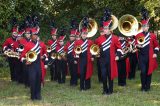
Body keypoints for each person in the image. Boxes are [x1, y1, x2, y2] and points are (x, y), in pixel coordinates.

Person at [95, 9, 123, 95]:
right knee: (103, 76)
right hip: (102, 60)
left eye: (107, 28)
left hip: (111, 60)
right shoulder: (99, 39)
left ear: (110, 29)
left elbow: (119, 48)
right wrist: (96, 53)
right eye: (104, 28)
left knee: (110, 76)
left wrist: (118, 55)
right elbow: (95, 48)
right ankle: (104, 90)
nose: (105, 30)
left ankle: (110, 90)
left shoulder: (114, 38)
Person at [135, 8, 159, 92]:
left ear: (148, 27)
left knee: (149, 71)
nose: (145, 27)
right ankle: (143, 86)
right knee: (143, 71)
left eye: (146, 26)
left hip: (150, 55)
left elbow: (157, 46)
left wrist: (155, 53)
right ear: (142, 27)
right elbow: (135, 45)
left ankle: (147, 86)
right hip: (141, 55)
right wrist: (137, 46)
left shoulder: (152, 35)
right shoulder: (138, 35)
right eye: (143, 26)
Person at [20, 27, 42, 100]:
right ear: (31, 36)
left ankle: (38, 95)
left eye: (36, 35)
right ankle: (33, 96)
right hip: (31, 66)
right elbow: (22, 56)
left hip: (38, 65)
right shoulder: (27, 45)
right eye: (34, 35)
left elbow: (41, 55)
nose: (35, 36)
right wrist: (26, 61)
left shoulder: (39, 44)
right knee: (33, 80)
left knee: (38, 80)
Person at [74, 17, 94, 91]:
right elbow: (75, 51)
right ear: (81, 34)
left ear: (87, 34)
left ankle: (88, 86)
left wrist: (93, 57)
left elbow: (93, 50)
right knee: (82, 73)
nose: (84, 35)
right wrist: (76, 59)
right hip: (81, 59)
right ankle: (82, 87)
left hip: (88, 59)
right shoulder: (77, 42)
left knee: (88, 72)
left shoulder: (90, 42)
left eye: (85, 34)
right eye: (83, 34)